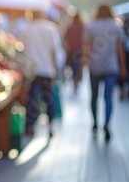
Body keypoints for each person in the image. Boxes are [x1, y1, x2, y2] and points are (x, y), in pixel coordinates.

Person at [83, 0, 127, 140]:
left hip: (94, 66)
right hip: (111, 66)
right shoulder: (115, 26)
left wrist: (83, 64)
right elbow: (120, 49)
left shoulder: (91, 26)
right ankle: (107, 124)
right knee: (108, 98)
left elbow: (86, 48)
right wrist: (123, 67)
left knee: (94, 97)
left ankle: (95, 123)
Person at [21, 9, 64, 138]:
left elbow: (22, 50)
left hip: (31, 70)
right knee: (48, 99)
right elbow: (54, 50)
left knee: (32, 99)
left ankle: (30, 126)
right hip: (47, 69)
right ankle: (50, 125)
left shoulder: (27, 29)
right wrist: (56, 68)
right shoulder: (51, 28)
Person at [64, 12, 85, 93]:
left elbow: (65, 39)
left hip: (71, 50)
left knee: (73, 66)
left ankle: (74, 81)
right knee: (77, 66)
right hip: (79, 50)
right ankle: (76, 81)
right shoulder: (82, 26)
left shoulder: (70, 26)